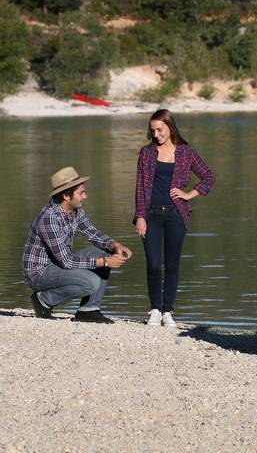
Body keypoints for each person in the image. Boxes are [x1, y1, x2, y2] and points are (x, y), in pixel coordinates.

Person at [134, 109, 215, 328]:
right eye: (152, 131)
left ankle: (167, 311)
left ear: (170, 127)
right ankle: (155, 309)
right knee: (153, 264)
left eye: (160, 129)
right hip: (150, 215)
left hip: (176, 214)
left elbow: (208, 176)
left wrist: (189, 194)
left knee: (172, 265)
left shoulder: (186, 152)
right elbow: (140, 187)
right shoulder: (146, 153)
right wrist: (140, 215)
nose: (156, 134)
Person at [23, 166, 133, 323]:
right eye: (81, 193)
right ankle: (43, 299)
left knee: (104, 253)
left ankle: (88, 310)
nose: (85, 196)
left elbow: (91, 232)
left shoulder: (75, 209)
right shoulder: (49, 218)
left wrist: (114, 245)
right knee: (91, 281)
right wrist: (105, 262)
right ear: (66, 196)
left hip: (57, 264)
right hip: (40, 273)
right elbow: (66, 262)